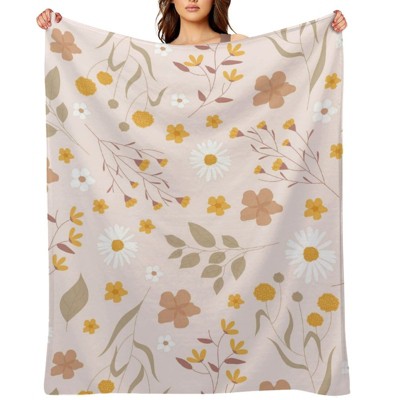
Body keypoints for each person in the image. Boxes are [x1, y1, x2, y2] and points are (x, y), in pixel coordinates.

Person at [36, 1, 347, 44]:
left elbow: (290, 64)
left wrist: (325, 33)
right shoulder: (158, 58)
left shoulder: (238, 46)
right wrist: (60, 29)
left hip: (231, 174)